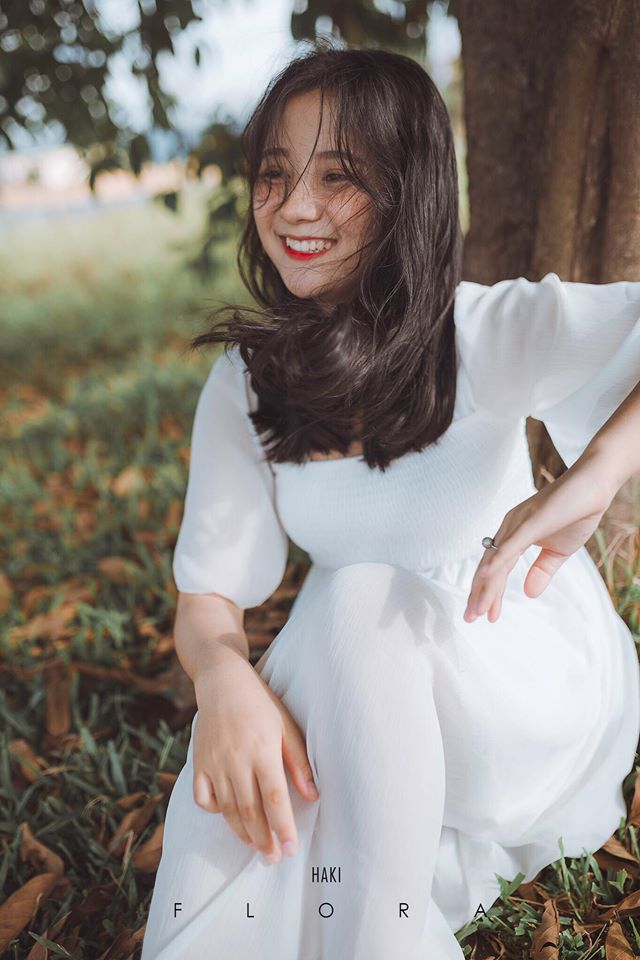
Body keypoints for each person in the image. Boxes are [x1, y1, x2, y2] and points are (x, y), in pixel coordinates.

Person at [141, 41, 640, 960]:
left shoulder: (480, 329)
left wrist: (599, 472)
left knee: (355, 595)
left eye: (338, 177)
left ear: (408, 191)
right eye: (275, 174)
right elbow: (208, 597)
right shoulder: (247, 382)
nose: (294, 207)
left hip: (523, 681)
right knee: (265, 716)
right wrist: (221, 683)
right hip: (367, 679)